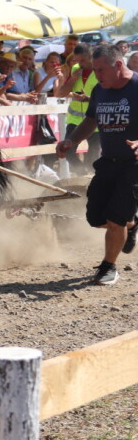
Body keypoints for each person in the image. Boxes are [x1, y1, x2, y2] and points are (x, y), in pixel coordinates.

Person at [55, 44, 138, 286]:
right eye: (94, 69)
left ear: (118, 65)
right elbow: (90, 121)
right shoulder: (100, 89)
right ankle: (131, 224)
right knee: (95, 217)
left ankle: (108, 267)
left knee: (115, 219)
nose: (96, 74)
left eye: (101, 70)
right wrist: (71, 140)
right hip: (108, 162)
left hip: (134, 165)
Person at [57, 43, 99, 174]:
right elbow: (62, 93)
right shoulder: (75, 69)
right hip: (75, 120)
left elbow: (107, 95)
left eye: (83, 60)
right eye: (77, 60)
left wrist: (87, 98)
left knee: (93, 157)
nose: (80, 63)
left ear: (91, 56)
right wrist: (73, 79)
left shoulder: (100, 70)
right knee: (68, 152)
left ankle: (91, 179)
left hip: (95, 121)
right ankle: (83, 175)